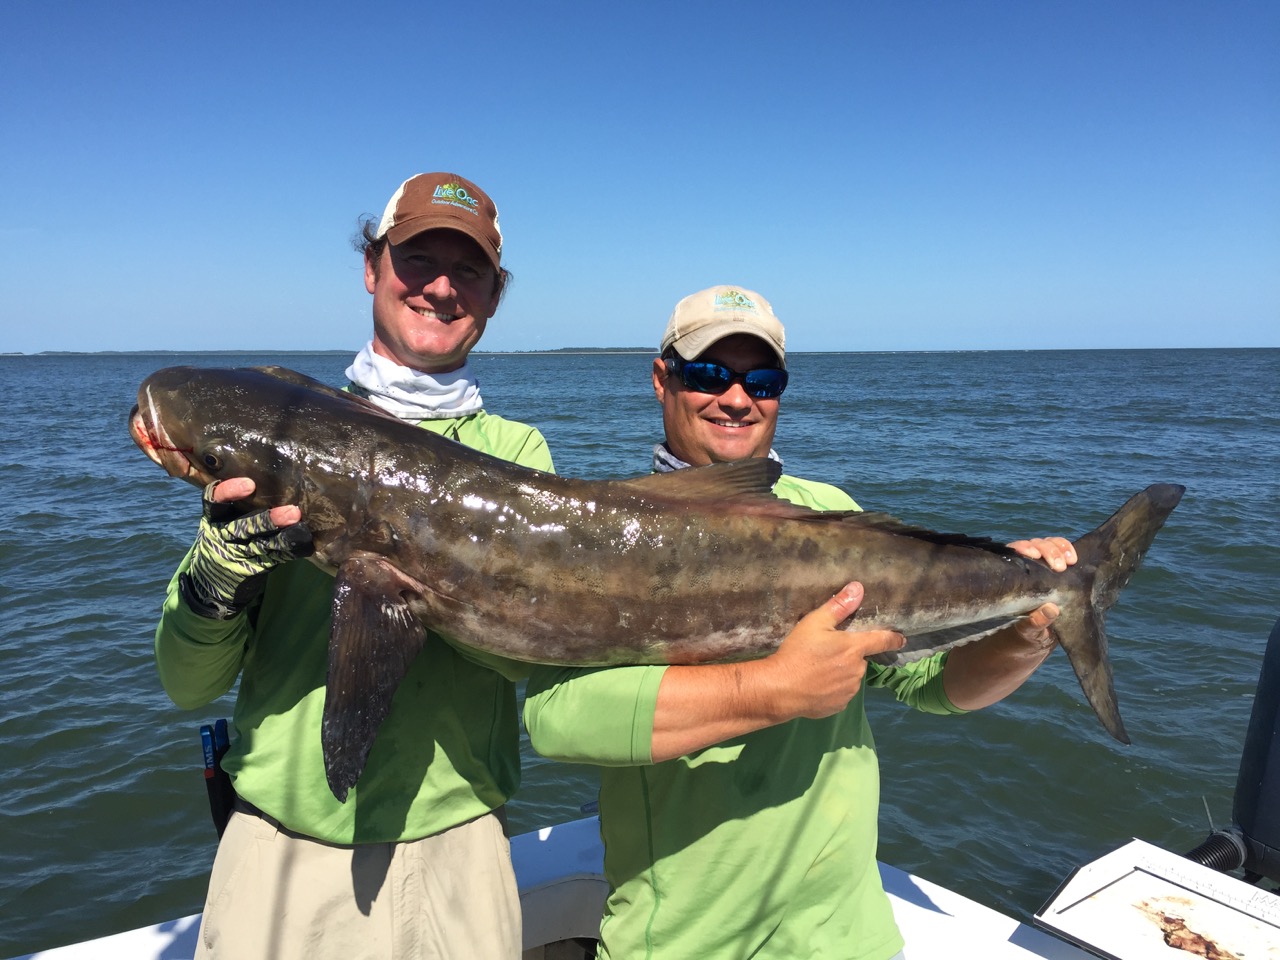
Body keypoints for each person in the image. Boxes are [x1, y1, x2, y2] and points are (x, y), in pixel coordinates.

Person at [523, 285, 1076, 960]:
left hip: (847, 939)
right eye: (708, 374)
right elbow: (557, 719)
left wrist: (1025, 636)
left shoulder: (830, 513)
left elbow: (929, 684)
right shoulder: (606, 532)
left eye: (762, 380)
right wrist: (771, 690)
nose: (736, 398)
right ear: (661, 379)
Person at [153, 172, 551, 960]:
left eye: (466, 270)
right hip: (279, 844)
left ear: (494, 296)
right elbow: (187, 684)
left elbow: (518, 655)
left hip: (458, 847)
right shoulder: (275, 433)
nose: (439, 287)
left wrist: (410, 571)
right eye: (416, 260)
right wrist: (215, 579)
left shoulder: (517, 457)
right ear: (372, 267)